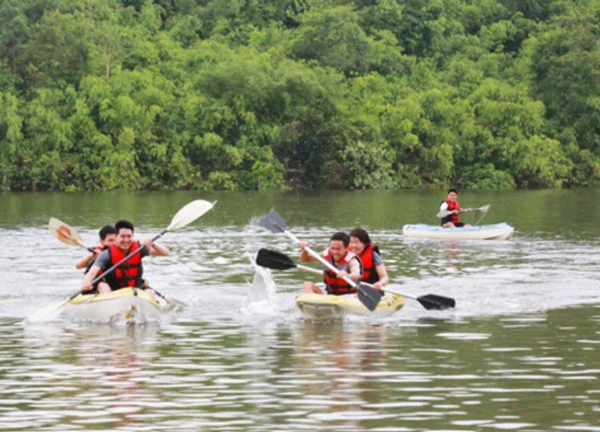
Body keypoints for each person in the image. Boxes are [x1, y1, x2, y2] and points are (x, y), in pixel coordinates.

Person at [82, 220, 169, 296]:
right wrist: (86, 282)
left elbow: (165, 253)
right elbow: (92, 272)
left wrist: (153, 244)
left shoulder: (140, 249)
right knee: (102, 286)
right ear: (116, 237)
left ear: (133, 236)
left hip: (134, 290)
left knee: (150, 292)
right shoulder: (106, 254)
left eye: (129, 236)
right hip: (114, 292)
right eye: (122, 236)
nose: (126, 240)